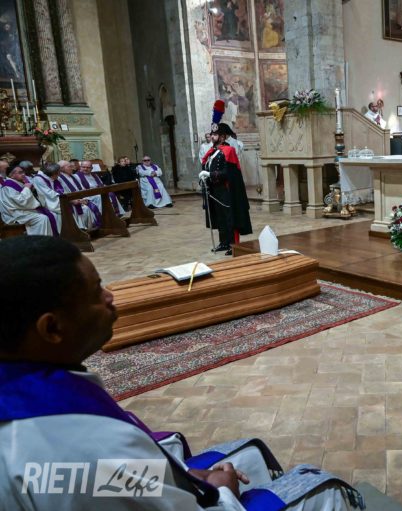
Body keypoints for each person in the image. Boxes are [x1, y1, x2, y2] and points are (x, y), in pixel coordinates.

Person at [0, 236, 364, 511]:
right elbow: (110, 473)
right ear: (52, 329)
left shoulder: (28, 392)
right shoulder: (84, 446)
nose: (110, 296)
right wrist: (223, 492)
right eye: (96, 290)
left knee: (248, 455)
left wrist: (185, 474)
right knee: (325, 489)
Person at [198, 120, 253, 256]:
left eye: (215, 135)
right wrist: (204, 177)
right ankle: (224, 242)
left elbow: (229, 173)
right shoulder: (212, 152)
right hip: (215, 190)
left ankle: (233, 245)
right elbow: (207, 167)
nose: (212, 137)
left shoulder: (229, 151)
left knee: (230, 218)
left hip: (227, 190)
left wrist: (210, 174)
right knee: (219, 217)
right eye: (212, 134)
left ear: (222, 137)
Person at [0, 165, 57, 236]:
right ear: (11, 175)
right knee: (42, 218)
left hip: (21, 210)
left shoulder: (17, 183)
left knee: (50, 214)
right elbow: (21, 201)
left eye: (23, 172)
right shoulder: (8, 186)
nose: (23, 174)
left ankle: (45, 240)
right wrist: (27, 189)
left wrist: (32, 190)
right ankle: (37, 241)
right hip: (14, 213)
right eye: (20, 173)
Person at [57, 160, 101, 230]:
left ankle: (93, 226)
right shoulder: (59, 178)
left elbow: (82, 188)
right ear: (62, 168)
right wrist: (78, 200)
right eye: (69, 167)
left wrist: (83, 198)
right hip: (72, 200)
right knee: (86, 209)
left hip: (81, 197)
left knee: (94, 201)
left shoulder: (73, 176)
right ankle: (85, 228)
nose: (72, 168)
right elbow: (63, 193)